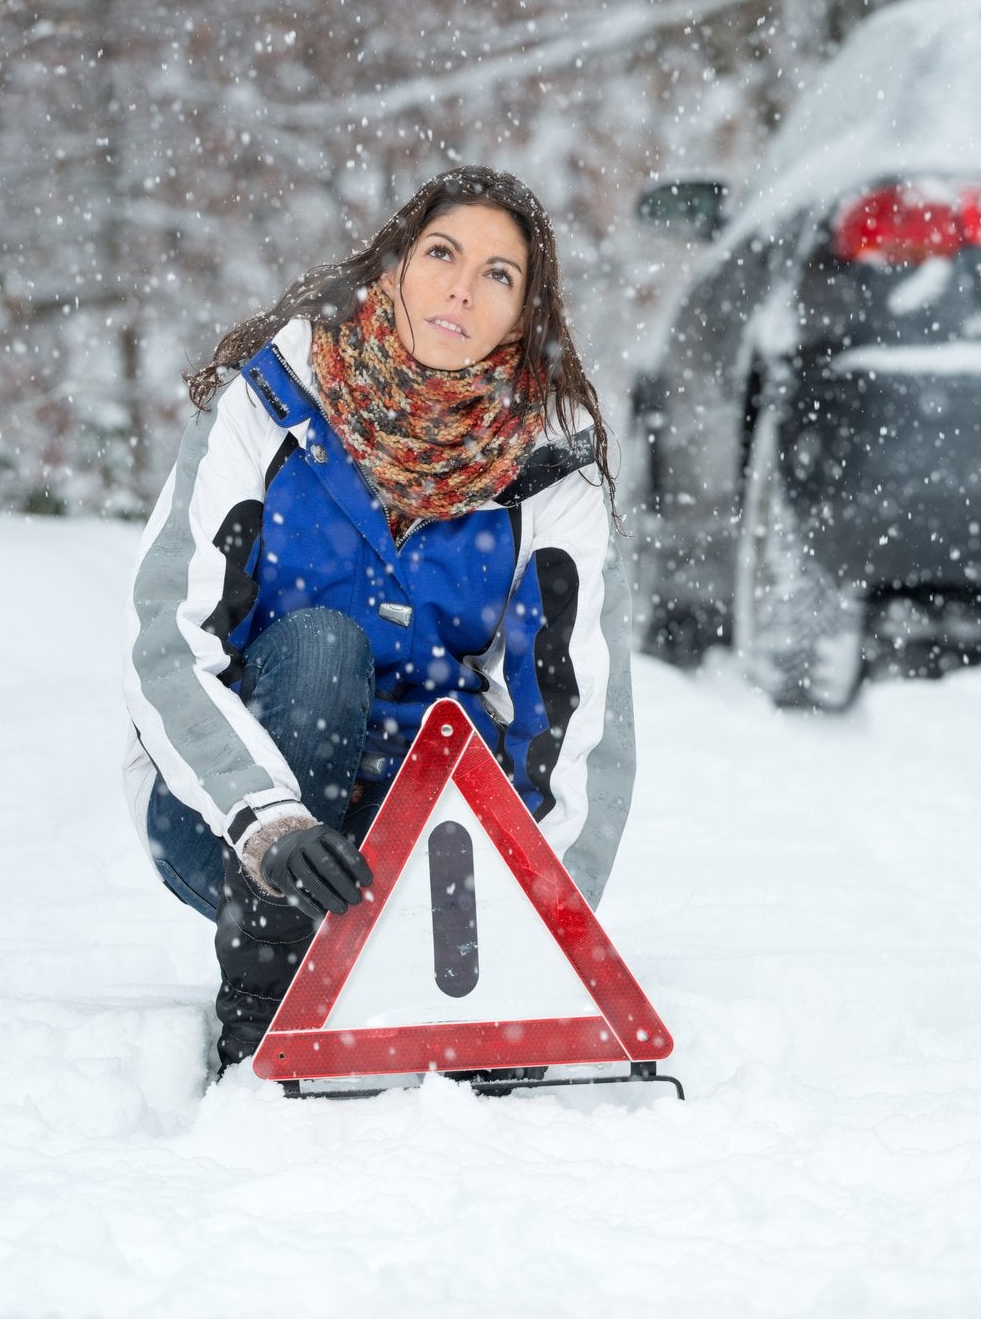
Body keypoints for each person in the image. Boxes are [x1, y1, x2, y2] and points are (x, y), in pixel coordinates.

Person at [120, 166, 636, 1071]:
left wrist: (536, 921)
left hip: (420, 836)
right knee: (325, 646)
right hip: (235, 821)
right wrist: (269, 822)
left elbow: (575, 717)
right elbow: (167, 644)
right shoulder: (270, 400)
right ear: (394, 267)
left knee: (457, 745)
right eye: (441, 252)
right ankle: (266, 998)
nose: (461, 287)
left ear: (524, 318)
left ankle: (423, 982)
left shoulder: (551, 469)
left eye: (499, 275)